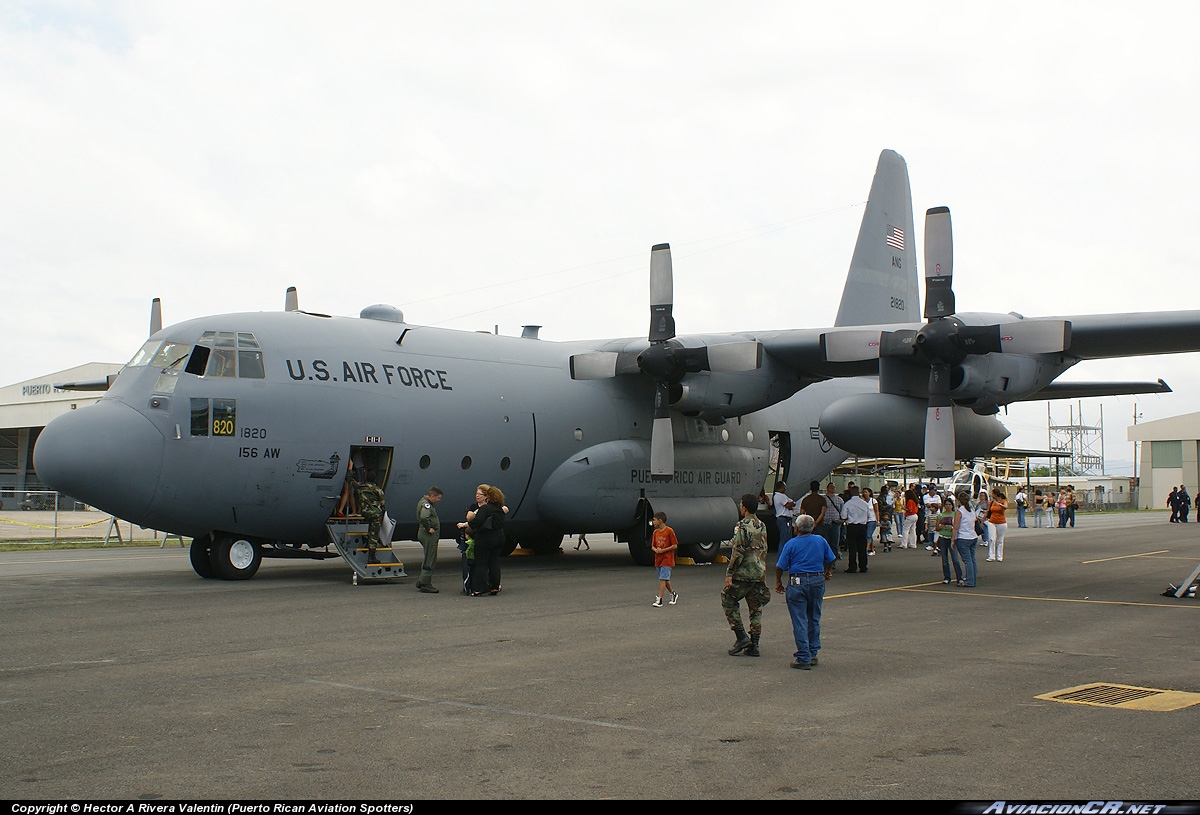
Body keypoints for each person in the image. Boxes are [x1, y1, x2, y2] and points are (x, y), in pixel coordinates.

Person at [774, 514, 837, 670]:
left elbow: (780, 566)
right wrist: (827, 572)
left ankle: (803, 656)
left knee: (799, 619)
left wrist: (778, 582)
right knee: (814, 617)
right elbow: (831, 558)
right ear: (813, 527)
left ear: (796, 528)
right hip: (816, 580)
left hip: (797, 582)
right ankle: (812, 652)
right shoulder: (820, 541)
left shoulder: (791, 544)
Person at [722, 493, 771, 657]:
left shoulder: (742, 526)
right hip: (758, 571)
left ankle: (741, 635)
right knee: (755, 608)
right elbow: (764, 548)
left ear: (744, 507)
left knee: (728, 598)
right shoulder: (762, 525)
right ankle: (755, 644)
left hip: (744, 572)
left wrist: (730, 572)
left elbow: (738, 550)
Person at [460, 484, 506, 596]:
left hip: (486, 538)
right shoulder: (499, 509)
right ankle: (495, 586)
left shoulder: (486, 509)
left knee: (481, 563)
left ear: (488, 497)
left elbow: (477, 521)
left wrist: (466, 525)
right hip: (499, 537)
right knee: (494, 562)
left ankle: (480, 588)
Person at [414, 486, 443, 593]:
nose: (439, 500)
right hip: (428, 535)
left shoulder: (424, 502)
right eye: (438, 498)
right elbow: (424, 517)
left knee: (428, 556)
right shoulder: (426, 505)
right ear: (432, 496)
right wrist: (429, 528)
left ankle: (422, 580)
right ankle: (426, 583)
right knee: (430, 558)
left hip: (425, 533)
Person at [354, 470, 386, 562]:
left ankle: (366, 541)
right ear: (375, 479)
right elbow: (383, 504)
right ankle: (371, 556)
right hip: (376, 514)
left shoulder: (361, 487)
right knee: (374, 535)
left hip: (365, 513)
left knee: (368, 530)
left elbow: (351, 482)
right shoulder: (378, 490)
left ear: (365, 478)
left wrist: (349, 471)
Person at [840, 484, 872, 573]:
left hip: (852, 526)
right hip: (862, 526)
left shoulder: (848, 504)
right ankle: (863, 566)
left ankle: (852, 567)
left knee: (852, 548)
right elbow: (869, 516)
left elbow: (843, 516)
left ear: (851, 493)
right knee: (862, 547)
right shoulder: (864, 504)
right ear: (859, 493)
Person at [650, 512, 679, 607]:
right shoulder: (655, 532)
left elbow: (674, 545)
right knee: (665, 579)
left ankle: (659, 599)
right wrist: (656, 550)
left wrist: (663, 550)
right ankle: (673, 593)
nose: (653, 522)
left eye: (654, 520)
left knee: (663, 578)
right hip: (658, 559)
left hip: (667, 559)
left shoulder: (669, 531)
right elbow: (653, 546)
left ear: (660, 520)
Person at [953, 490, 978, 587]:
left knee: (967, 560)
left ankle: (969, 581)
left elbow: (956, 527)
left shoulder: (960, 511)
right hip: (973, 536)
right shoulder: (971, 511)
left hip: (963, 537)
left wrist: (953, 539)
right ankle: (972, 578)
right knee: (972, 559)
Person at [935, 497, 962, 585]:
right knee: (944, 559)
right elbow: (937, 528)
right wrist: (940, 527)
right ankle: (947, 577)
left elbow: (958, 526)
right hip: (943, 538)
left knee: (955, 559)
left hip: (952, 538)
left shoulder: (955, 514)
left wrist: (952, 528)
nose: (948, 506)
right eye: (946, 504)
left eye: (949, 504)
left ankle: (959, 578)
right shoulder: (941, 515)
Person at [816, 483, 843, 561]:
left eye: (834, 487)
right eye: (831, 487)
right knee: (825, 543)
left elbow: (842, 511)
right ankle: (825, 561)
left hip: (835, 523)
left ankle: (832, 562)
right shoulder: (822, 499)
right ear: (827, 488)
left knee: (834, 544)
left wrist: (841, 520)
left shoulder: (839, 499)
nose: (832, 488)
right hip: (825, 523)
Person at [985, 487, 1008, 563]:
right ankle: (991, 556)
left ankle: (999, 556)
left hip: (1001, 522)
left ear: (995, 494)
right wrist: (982, 520)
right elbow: (988, 511)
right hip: (992, 521)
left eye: (992, 494)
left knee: (1000, 540)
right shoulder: (991, 502)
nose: (992, 495)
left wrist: (1000, 504)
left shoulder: (1003, 501)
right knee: (991, 538)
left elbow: (1006, 507)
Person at [772, 482, 796, 548]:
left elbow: (792, 503)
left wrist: (791, 503)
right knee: (785, 540)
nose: (785, 489)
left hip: (785, 519)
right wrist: (791, 503)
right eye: (784, 487)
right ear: (781, 487)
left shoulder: (782, 496)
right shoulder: (780, 496)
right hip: (784, 519)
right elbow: (788, 505)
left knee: (787, 538)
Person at [862, 487, 879, 556]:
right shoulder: (862, 501)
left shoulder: (873, 501)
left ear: (869, 493)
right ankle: (872, 549)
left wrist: (878, 520)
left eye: (866, 492)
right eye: (863, 492)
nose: (864, 493)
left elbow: (877, 511)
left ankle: (866, 549)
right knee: (869, 535)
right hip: (864, 520)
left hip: (872, 519)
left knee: (868, 535)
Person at [877, 484, 894, 551]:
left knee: (887, 525)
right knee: (883, 526)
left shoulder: (883, 497)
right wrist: (888, 506)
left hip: (885, 513)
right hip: (883, 514)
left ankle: (886, 539)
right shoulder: (880, 498)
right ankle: (884, 539)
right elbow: (881, 507)